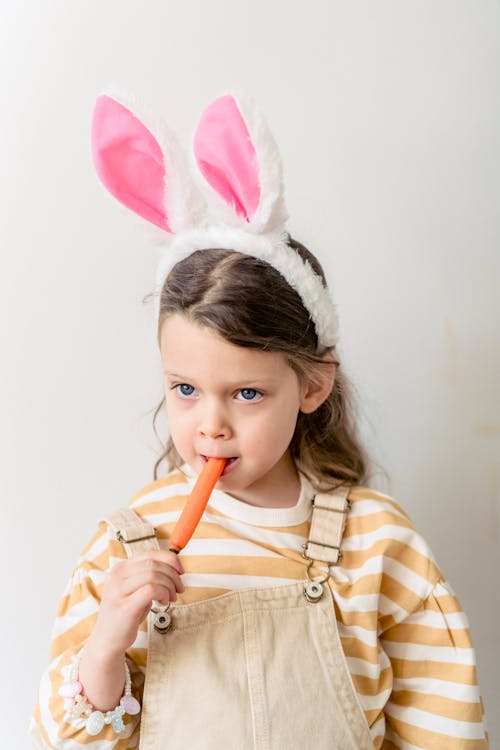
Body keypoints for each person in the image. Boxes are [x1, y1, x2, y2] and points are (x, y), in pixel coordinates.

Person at [30, 91, 488, 749]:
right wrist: (106, 644)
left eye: (246, 394)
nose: (210, 425)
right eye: (186, 389)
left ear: (312, 386)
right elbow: (66, 738)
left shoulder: (379, 544)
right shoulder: (127, 548)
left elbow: (443, 729)